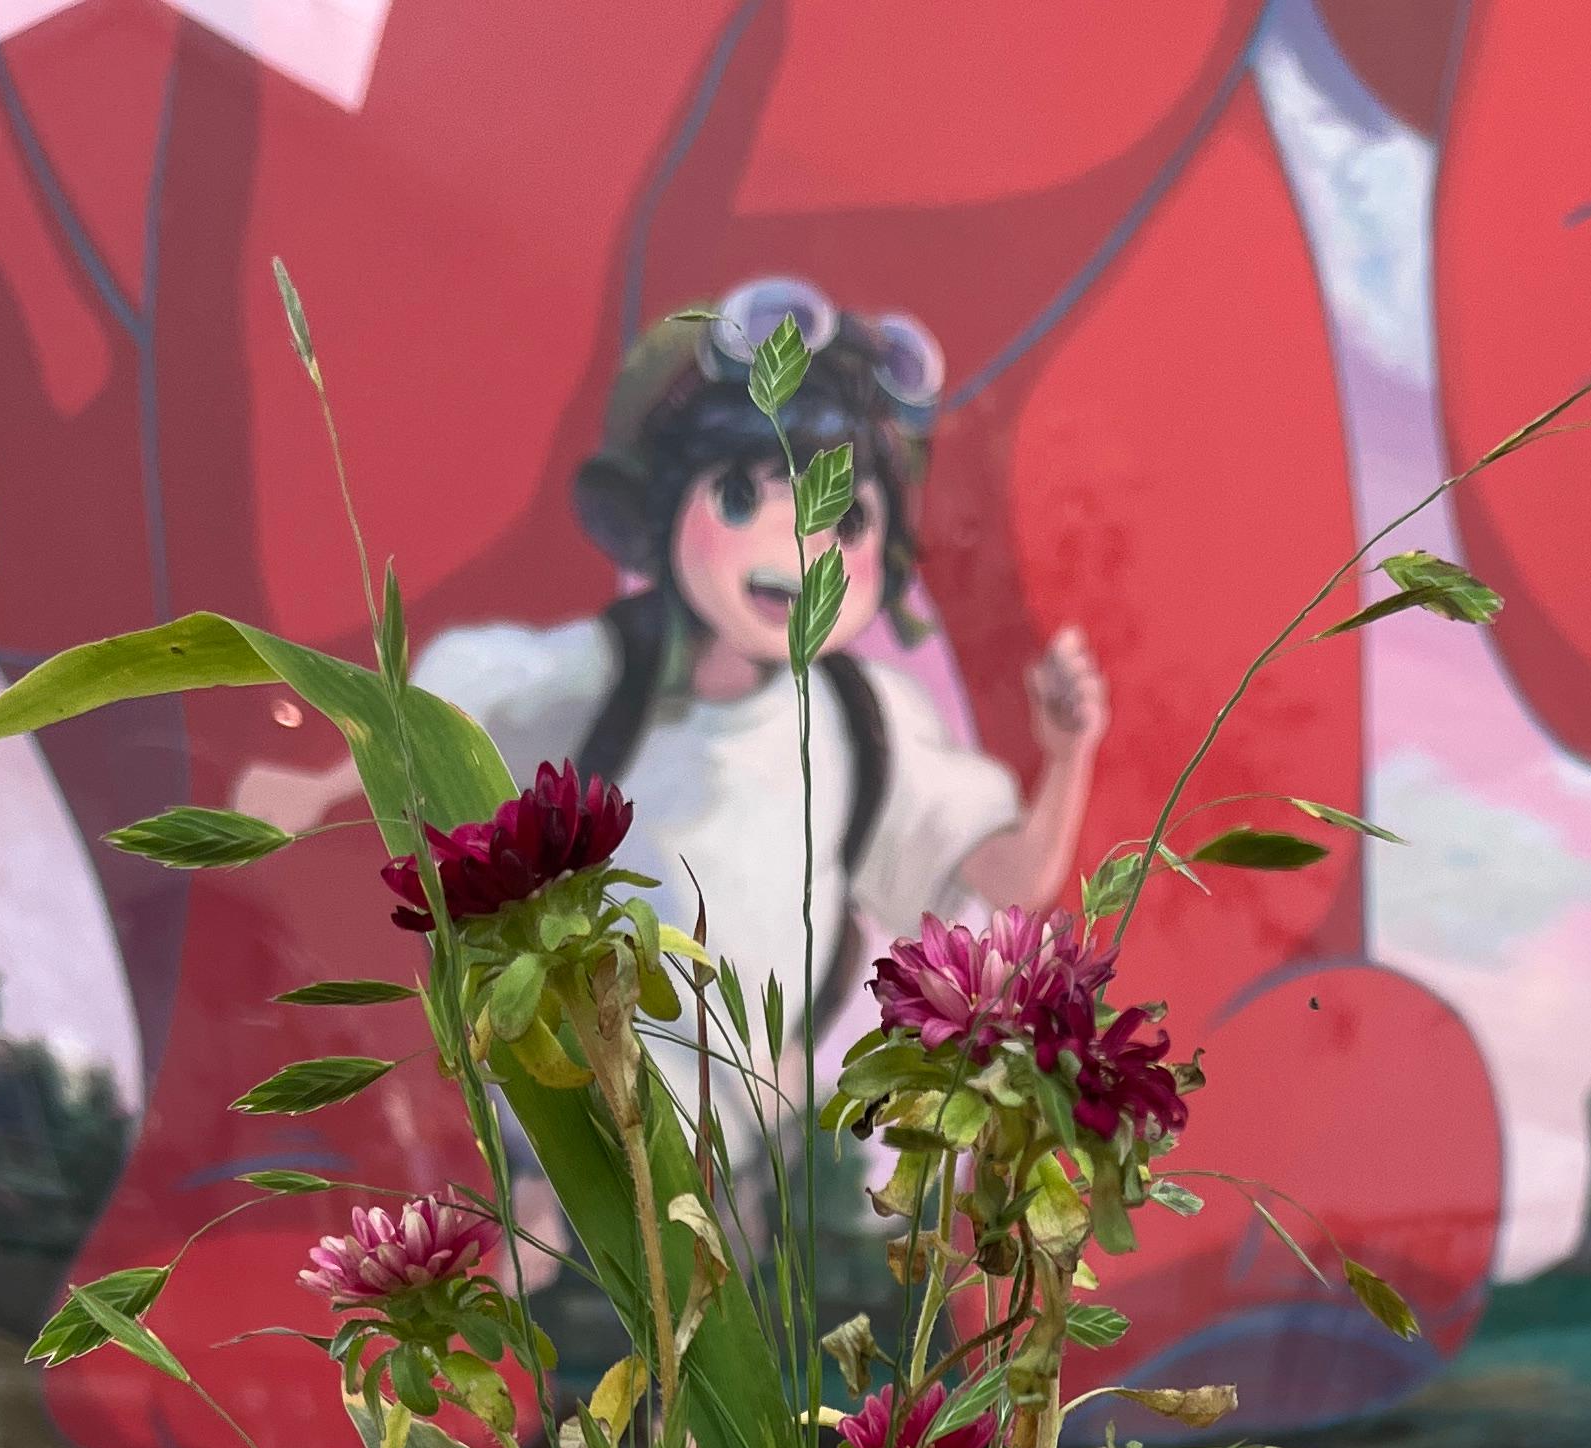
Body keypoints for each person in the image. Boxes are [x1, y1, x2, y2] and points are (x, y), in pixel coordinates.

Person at [416, 285, 1106, 1152]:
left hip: (751, 1153)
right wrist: (315, 778)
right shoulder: (605, 676)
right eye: (742, 498)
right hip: (570, 1140)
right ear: (665, 507)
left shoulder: (864, 723)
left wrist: (1068, 754)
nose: (795, 550)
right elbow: (427, 727)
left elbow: (1012, 877)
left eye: (844, 519)